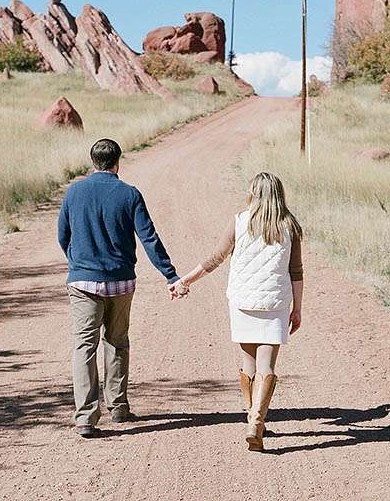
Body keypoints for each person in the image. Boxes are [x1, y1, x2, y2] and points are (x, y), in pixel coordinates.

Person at [172, 172, 304, 452]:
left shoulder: (240, 221)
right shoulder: (290, 226)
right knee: (267, 367)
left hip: (243, 302)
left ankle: (251, 416)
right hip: (276, 303)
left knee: (249, 364)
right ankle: (256, 422)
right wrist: (298, 308)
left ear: (254, 193)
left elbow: (215, 258)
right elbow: (296, 272)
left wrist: (185, 280)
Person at [58, 138, 180, 438]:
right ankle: (118, 406)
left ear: (92, 161)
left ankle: (85, 416)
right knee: (117, 341)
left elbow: (63, 235)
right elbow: (149, 238)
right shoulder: (129, 194)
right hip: (120, 282)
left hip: (83, 282)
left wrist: (77, 262)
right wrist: (170, 275)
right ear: (117, 162)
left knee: (84, 346)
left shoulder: (74, 192)